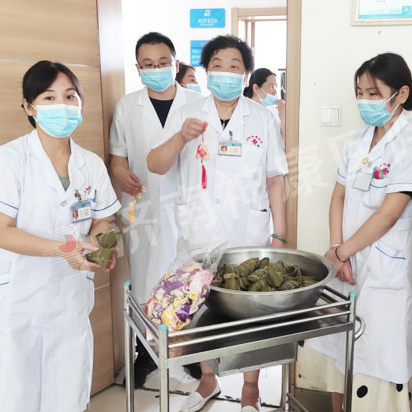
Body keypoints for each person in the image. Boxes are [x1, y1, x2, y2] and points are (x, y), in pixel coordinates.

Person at [0, 61, 120, 412]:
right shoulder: (7, 161)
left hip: (70, 298)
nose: (62, 105)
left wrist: (102, 244)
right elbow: (1, 233)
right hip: (17, 298)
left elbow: (103, 220)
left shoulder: (90, 164)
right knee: (10, 395)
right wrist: (66, 249)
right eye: (49, 97)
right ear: (29, 107)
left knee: (65, 392)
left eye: (70, 96)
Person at [147, 35, 288, 412]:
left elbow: (276, 179)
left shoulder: (262, 116)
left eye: (234, 66)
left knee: (251, 313)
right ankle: (208, 380)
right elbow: (155, 164)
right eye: (218, 65)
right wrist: (180, 137)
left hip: (249, 231)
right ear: (207, 71)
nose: (226, 72)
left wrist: (279, 234)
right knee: (201, 309)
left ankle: (250, 390)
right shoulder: (187, 113)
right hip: (199, 230)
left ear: (246, 74)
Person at [306, 53, 412, 412]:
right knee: (340, 356)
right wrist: (336, 248)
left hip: (380, 269)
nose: (364, 101)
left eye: (374, 93)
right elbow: (338, 196)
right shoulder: (358, 141)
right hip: (343, 264)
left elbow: (389, 213)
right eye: (360, 93)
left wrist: (341, 254)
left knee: (377, 361)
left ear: (401, 94)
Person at [109, 32, 204, 386]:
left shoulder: (198, 104)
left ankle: (191, 354)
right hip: (143, 206)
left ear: (175, 64)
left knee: (188, 281)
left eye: (163, 63)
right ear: (138, 69)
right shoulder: (126, 107)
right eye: (148, 65)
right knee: (144, 281)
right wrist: (121, 174)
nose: (156, 69)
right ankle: (144, 354)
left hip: (188, 206)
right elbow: (117, 158)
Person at [243, 68, 286, 146]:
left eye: (275, 87)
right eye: (272, 87)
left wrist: (283, 118)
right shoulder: (243, 110)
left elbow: (285, 143)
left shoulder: (275, 111)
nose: (275, 92)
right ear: (256, 88)